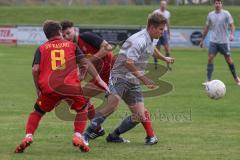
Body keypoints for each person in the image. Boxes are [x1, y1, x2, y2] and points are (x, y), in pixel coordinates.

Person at [15, 20, 109, 153]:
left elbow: (35, 69)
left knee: (37, 112)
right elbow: (85, 63)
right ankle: (77, 136)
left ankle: (28, 136)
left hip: (49, 87)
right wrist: (98, 80)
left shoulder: (41, 48)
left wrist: (38, 88)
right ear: (60, 32)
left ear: (46, 35)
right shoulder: (71, 45)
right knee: (82, 110)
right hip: (70, 87)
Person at [84, 12, 174, 145]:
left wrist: (164, 58)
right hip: (119, 75)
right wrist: (144, 79)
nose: (163, 32)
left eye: (163, 29)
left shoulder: (152, 37)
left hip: (132, 79)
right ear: (151, 27)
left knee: (139, 116)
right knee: (112, 106)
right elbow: (128, 62)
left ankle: (114, 136)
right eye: (161, 29)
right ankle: (86, 134)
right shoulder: (139, 40)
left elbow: (152, 48)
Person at [60, 20, 115, 139]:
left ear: (74, 29)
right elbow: (83, 67)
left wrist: (90, 60)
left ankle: (97, 129)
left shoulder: (86, 36)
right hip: (100, 76)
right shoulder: (72, 48)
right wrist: (79, 78)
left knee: (82, 98)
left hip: (111, 72)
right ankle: (98, 129)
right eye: (63, 35)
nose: (66, 37)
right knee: (82, 98)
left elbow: (108, 48)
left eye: (68, 33)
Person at [200, 0, 240, 85]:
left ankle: (236, 78)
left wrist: (232, 34)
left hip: (224, 41)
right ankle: (208, 80)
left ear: (222, 4)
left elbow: (232, 25)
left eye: (219, 3)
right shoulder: (210, 15)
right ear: (214, 4)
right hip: (213, 41)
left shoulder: (226, 14)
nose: (217, 4)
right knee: (210, 58)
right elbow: (206, 28)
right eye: (216, 3)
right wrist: (202, 40)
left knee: (228, 60)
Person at [153, 0, 171, 70]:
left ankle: (168, 65)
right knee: (157, 49)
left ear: (166, 6)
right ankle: (156, 65)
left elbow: (168, 23)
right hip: (157, 32)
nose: (163, 6)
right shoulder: (156, 12)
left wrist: (169, 32)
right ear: (160, 5)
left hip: (165, 31)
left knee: (167, 48)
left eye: (165, 5)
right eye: (162, 4)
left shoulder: (167, 13)